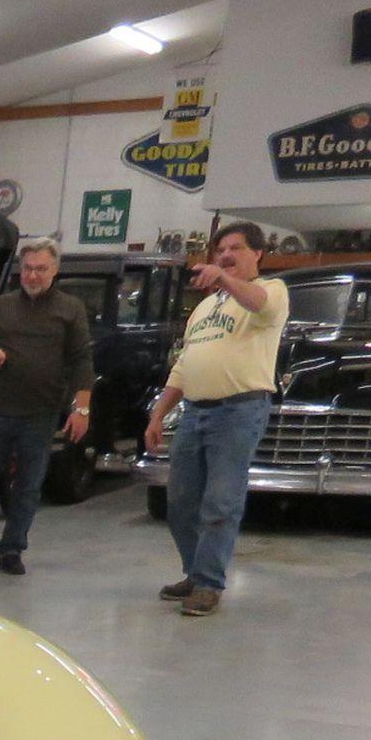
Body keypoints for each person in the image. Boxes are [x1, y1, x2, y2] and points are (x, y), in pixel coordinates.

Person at [142, 221, 288, 617]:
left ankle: (208, 583)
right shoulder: (205, 308)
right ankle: (195, 572)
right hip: (194, 412)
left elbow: (259, 303)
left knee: (220, 501)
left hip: (239, 412)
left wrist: (223, 278)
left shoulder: (271, 291)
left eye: (235, 248)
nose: (225, 255)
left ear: (257, 253)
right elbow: (184, 366)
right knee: (180, 501)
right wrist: (158, 415)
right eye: (220, 250)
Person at [0, 236, 93, 577]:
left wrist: (81, 408)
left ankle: (12, 549)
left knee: (27, 486)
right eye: (27, 268)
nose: (33, 275)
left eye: (41, 269)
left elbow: (82, 360)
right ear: (19, 270)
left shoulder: (70, 309)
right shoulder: (0, 306)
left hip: (40, 413)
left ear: (54, 271)